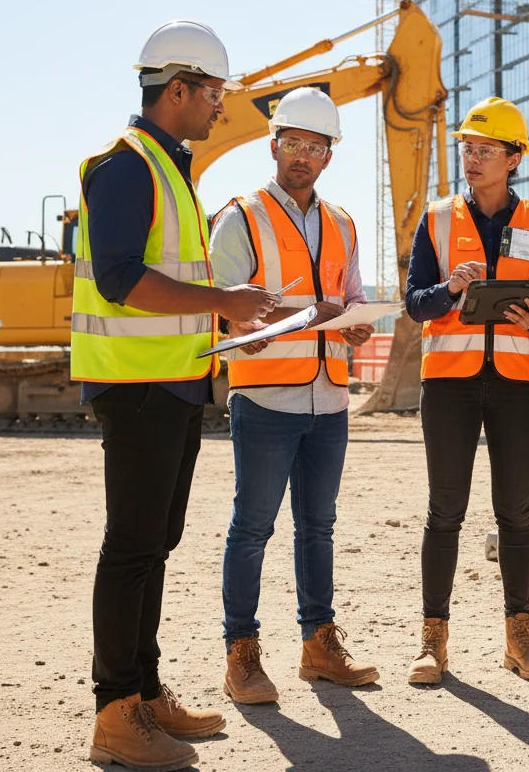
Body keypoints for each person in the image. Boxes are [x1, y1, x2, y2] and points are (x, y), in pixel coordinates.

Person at [73, 21, 280, 771]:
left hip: (174, 382)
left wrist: (227, 324)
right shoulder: (126, 168)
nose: (222, 107)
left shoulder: (172, 169)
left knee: (155, 545)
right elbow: (121, 278)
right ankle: (115, 710)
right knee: (130, 547)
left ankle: (146, 691)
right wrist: (223, 300)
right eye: (216, 93)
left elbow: (183, 293)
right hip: (135, 389)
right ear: (180, 89)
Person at [209, 87, 379, 702]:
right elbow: (224, 304)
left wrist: (356, 320)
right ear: (273, 146)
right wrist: (241, 328)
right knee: (252, 529)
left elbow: (352, 295)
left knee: (319, 527)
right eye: (294, 144)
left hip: (329, 397)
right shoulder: (242, 215)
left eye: (316, 146)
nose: (303, 155)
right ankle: (242, 654)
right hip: (264, 398)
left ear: (329, 155)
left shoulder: (342, 222)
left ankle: (318, 646)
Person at [404, 97, 529, 685]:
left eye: (485, 150)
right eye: (467, 149)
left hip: (519, 385)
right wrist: (449, 288)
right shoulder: (439, 217)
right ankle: (433, 641)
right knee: (444, 511)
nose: (472, 159)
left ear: (514, 158)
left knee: (516, 514)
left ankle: (518, 637)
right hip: (449, 383)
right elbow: (414, 302)